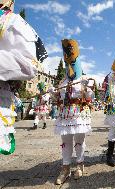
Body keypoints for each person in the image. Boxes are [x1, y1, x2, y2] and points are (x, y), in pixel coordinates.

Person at [0, 0, 47, 155]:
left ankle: (41, 124)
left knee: (42, 114)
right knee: (39, 114)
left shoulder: (11, 21)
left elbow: (30, 65)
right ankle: (36, 123)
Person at [53, 39, 95, 184]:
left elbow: (90, 97)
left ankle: (79, 164)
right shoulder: (62, 81)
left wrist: (87, 89)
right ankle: (65, 168)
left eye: (72, 63)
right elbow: (58, 98)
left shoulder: (84, 79)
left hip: (79, 114)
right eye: (67, 64)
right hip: (65, 114)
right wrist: (53, 93)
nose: (69, 66)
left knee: (79, 140)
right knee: (65, 141)